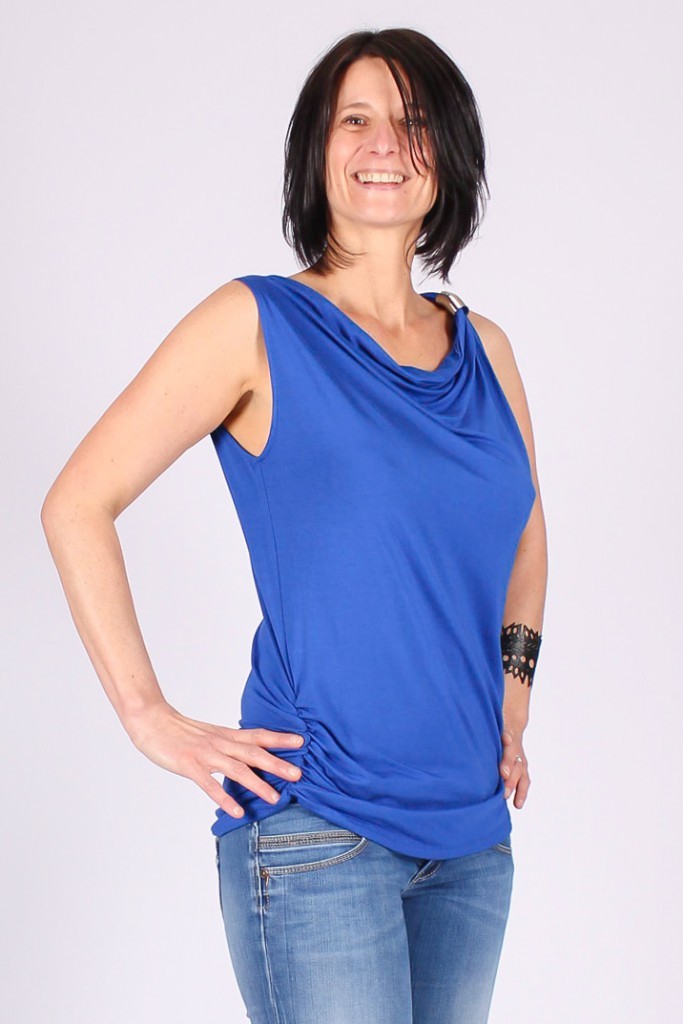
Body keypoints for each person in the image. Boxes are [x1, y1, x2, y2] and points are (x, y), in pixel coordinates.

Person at [41, 26, 548, 1024]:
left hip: (471, 838)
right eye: (354, 120)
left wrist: (514, 695)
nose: (383, 144)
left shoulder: (484, 349)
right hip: (319, 828)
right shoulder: (255, 324)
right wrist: (148, 716)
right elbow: (77, 502)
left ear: (448, 153)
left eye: (411, 121)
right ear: (316, 151)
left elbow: (523, 531)